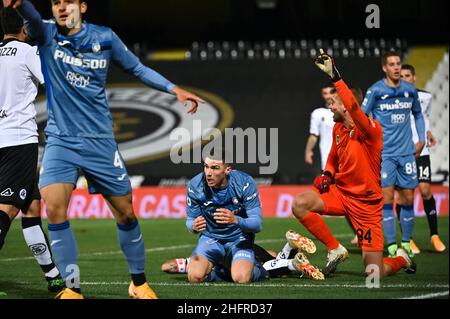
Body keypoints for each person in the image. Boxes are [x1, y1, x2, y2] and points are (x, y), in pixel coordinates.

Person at [4, 0, 205, 299]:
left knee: (125, 213)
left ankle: (138, 283)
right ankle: (71, 289)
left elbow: (137, 68)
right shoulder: (46, 34)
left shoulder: (105, 38)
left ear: (82, 6)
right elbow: (31, 18)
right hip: (61, 141)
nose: (61, 7)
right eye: (56, 2)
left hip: (100, 141)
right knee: (55, 208)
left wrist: (173, 88)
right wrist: (21, 4)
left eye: (68, 2)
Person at [291, 49, 415, 279]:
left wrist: (335, 76)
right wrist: (327, 174)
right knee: (300, 204)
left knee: (374, 273)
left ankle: (401, 258)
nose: (329, 106)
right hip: (342, 194)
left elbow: (354, 106)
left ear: (347, 105)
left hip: (366, 207)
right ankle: (334, 248)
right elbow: (332, 158)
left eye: (333, 102)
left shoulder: (371, 130)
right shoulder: (338, 128)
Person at [0, 7, 64, 293]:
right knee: (7, 209)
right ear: (23, 28)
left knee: (32, 207)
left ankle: (52, 276)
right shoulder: (27, 51)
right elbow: (52, 81)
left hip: (2, 139)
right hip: (19, 140)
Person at [361, 51, 426, 259]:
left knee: (407, 198)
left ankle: (406, 243)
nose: (397, 67)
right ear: (384, 68)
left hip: (407, 153)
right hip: (385, 155)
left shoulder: (409, 90)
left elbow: (418, 113)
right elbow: (362, 117)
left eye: (398, 63)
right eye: (392, 64)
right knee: (387, 198)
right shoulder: (376, 91)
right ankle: (390, 245)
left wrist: (422, 138)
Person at [399, 64, 446, 253]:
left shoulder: (426, 97)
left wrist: (428, 132)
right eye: (401, 75)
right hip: (401, 152)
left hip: (421, 151)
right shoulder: (392, 98)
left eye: (407, 75)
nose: (404, 78)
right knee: (405, 196)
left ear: (414, 77)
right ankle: (407, 239)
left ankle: (434, 235)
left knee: (425, 190)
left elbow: (423, 118)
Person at [162, 230, 324, 280]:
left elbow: (167, 266)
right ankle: (289, 252)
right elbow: (167, 266)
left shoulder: (203, 263)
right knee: (272, 265)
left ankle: (292, 263)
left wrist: (179, 265)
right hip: (244, 248)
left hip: (239, 258)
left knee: (266, 270)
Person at [305, 84, 335, 170]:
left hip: (345, 160)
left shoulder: (345, 111)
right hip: (327, 161)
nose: (328, 96)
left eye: (331, 92)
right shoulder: (318, 113)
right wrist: (308, 151)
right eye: (325, 93)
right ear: (322, 95)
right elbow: (313, 136)